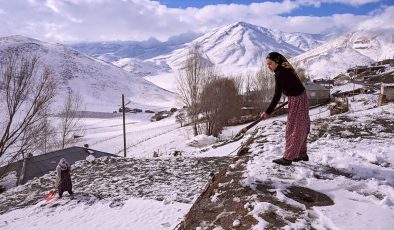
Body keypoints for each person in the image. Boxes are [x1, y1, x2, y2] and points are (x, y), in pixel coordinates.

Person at [261, 52, 310, 166]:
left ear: (277, 62)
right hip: (299, 98)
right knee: (300, 126)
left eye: (270, 64)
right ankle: (301, 154)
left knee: (294, 129)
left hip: (297, 100)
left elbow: (277, 95)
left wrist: (267, 112)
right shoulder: (283, 69)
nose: (269, 66)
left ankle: (288, 158)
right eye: (267, 64)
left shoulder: (280, 73)